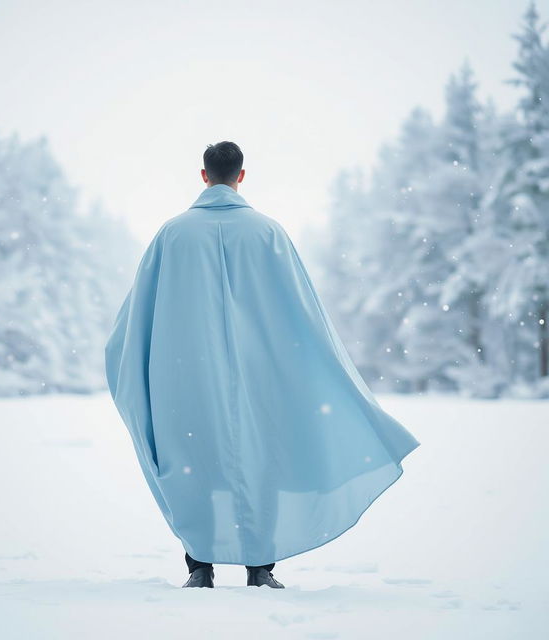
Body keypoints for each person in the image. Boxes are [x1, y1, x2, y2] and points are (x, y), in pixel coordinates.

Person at [104, 141, 420, 590]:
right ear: (241, 176)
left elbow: (136, 318)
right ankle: (260, 568)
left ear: (203, 176)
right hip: (262, 375)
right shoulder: (268, 232)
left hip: (188, 374)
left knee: (194, 459)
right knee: (261, 458)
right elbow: (303, 311)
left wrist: (138, 365)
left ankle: (200, 566)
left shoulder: (172, 235)